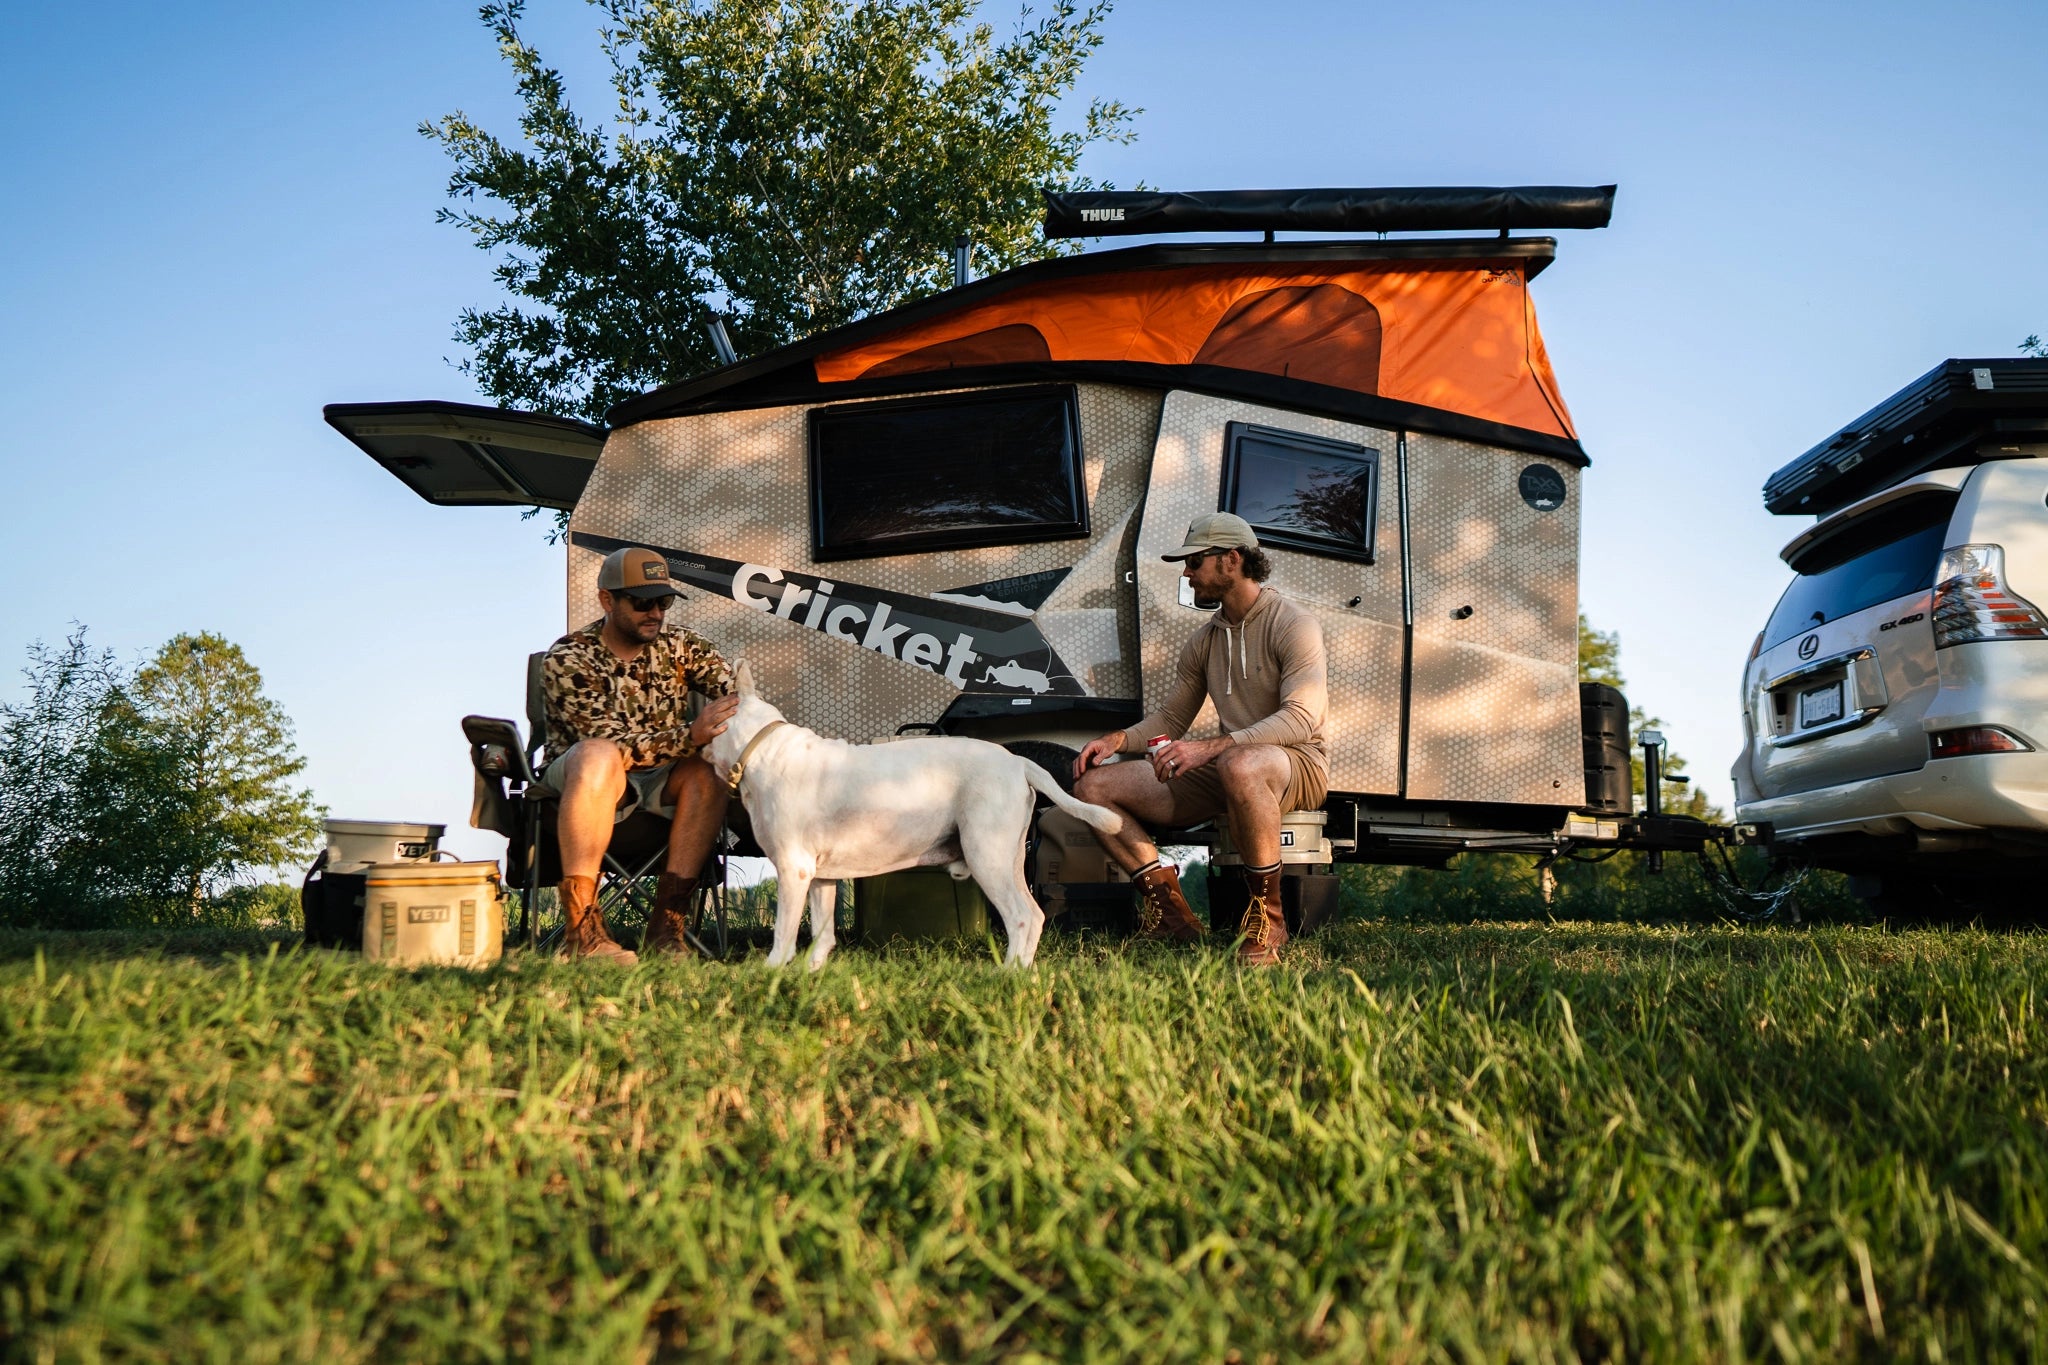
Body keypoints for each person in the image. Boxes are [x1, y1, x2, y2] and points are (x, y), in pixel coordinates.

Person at [1071, 513, 1328, 965]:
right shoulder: (1204, 641)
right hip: (1232, 766)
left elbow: (1302, 718)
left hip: (1298, 765)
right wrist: (1116, 740)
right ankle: (1174, 920)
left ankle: (1268, 920)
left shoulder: (1294, 624)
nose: (1186, 573)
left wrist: (1211, 748)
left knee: (1239, 763)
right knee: (1092, 789)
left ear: (1231, 560)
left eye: (1194, 562)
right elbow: (1173, 716)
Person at [540, 546, 740, 964]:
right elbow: (610, 745)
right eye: (642, 602)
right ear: (607, 600)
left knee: (709, 769)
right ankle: (583, 932)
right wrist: (691, 734)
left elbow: (738, 697)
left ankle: (668, 929)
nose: (656, 613)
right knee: (598, 756)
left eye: (663, 601)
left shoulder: (683, 645)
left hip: (663, 780)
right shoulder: (568, 657)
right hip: (588, 779)